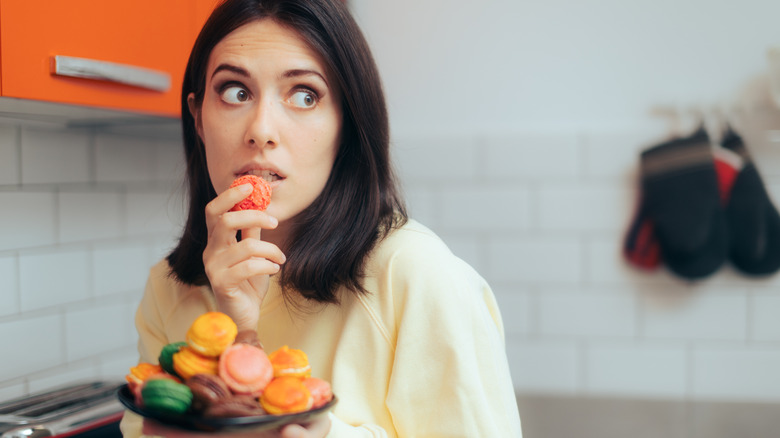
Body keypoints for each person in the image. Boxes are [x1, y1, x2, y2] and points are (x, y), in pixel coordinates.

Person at [120, 0, 522, 436]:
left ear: (346, 122)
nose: (261, 130)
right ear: (198, 117)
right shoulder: (168, 288)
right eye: (236, 91)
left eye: (304, 95)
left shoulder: (418, 278)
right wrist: (239, 333)